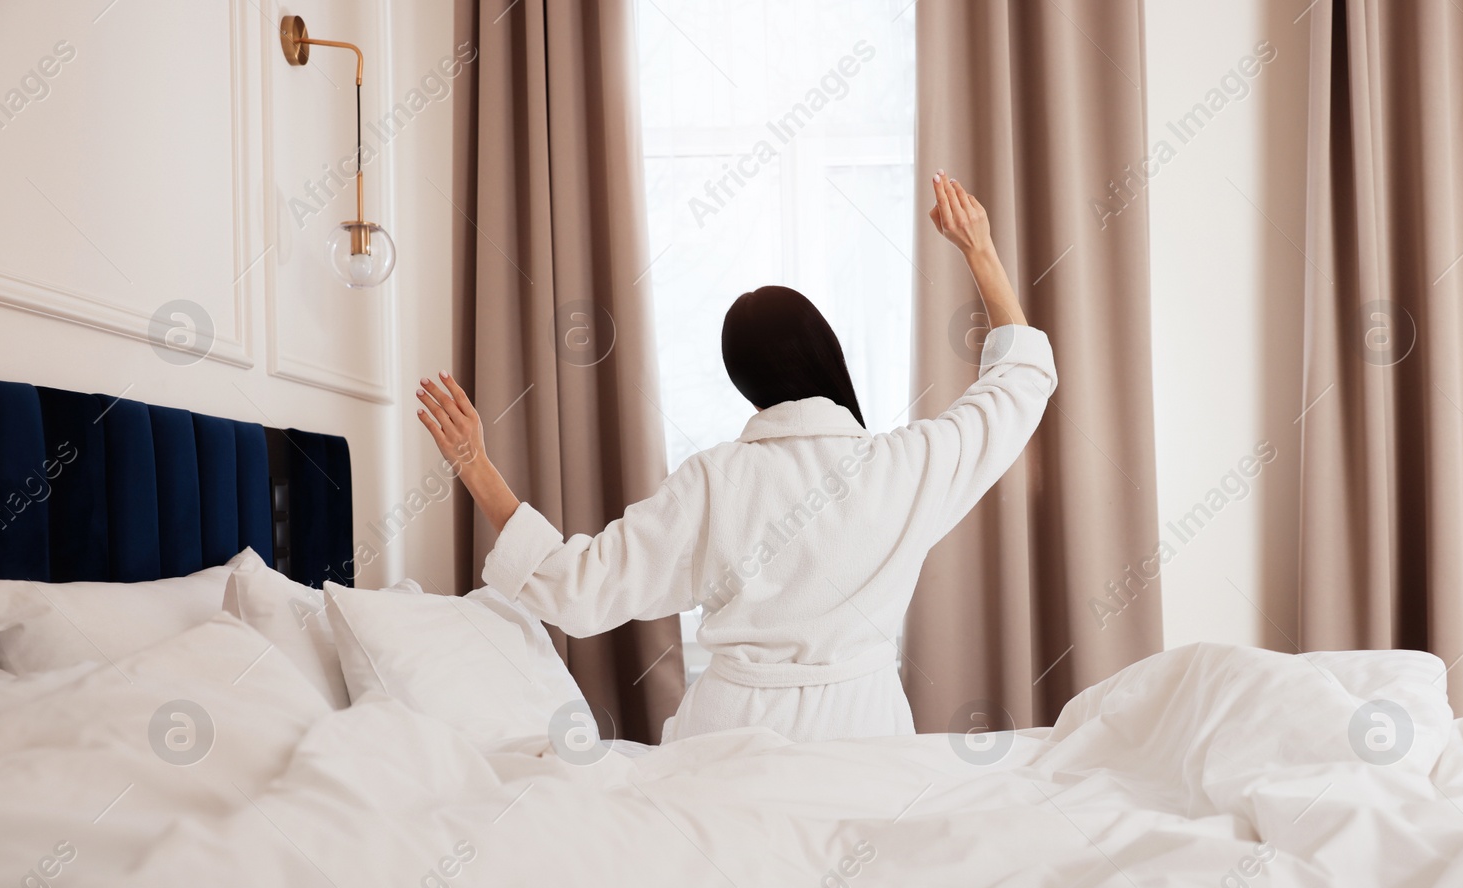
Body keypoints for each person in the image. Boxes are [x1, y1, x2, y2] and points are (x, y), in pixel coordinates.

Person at [417, 172, 1056, 742]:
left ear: (742, 382)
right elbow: (1019, 386)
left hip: (727, 747)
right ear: (827, 355)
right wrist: (979, 249)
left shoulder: (712, 483)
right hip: (865, 743)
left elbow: (579, 591)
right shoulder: (904, 467)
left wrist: (476, 463)